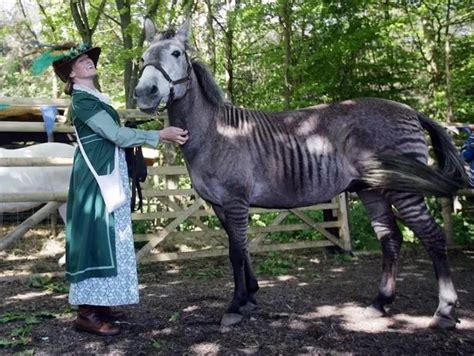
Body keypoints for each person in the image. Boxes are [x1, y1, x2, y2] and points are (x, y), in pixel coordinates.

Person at [42, 43, 188, 336]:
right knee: (96, 235)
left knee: (111, 235)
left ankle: (102, 304)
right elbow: (115, 135)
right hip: (95, 177)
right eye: (80, 61)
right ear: (70, 74)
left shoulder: (96, 97)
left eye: (87, 58)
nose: (87, 62)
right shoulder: (83, 102)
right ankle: (86, 313)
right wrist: (159, 134)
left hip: (109, 171)